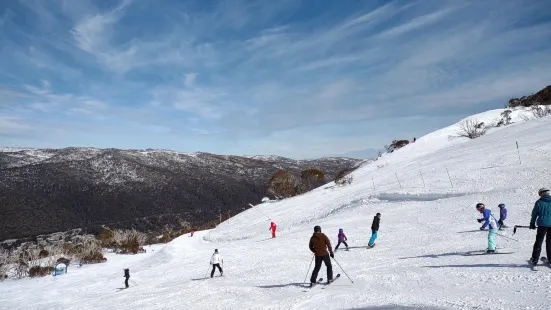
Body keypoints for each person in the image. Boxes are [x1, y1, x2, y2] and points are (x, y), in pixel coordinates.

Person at [529, 188, 551, 266]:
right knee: (549, 242)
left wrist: (532, 223)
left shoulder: (539, 202)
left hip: (542, 224)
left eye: (540, 194)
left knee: (538, 242)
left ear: (542, 193)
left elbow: (534, 214)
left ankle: (535, 259)